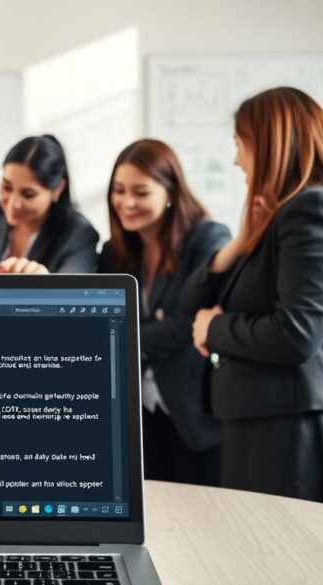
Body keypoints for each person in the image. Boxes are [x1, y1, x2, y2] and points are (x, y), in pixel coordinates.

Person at [180, 87, 323, 510]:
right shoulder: (283, 214)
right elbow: (190, 302)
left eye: (240, 144)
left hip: (297, 434)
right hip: (269, 423)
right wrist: (241, 241)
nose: (236, 159)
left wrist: (215, 328)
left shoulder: (317, 210)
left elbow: (295, 334)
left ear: (270, 144)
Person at [97, 139, 230, 485]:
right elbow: (101, 321)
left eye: (141, 192)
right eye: (119, 190)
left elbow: (191, 323)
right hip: (139, 415)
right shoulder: (114, 252)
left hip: (195, 414)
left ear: (169, 191)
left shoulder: (206, 238)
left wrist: (126, 337)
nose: (126, 202)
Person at [0, 134, 98, 274]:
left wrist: (44, 283)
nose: (13, 203)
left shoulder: (79, 234)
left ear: (57, 190)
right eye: (7, 187)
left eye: (28, 194)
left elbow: (73, 292)